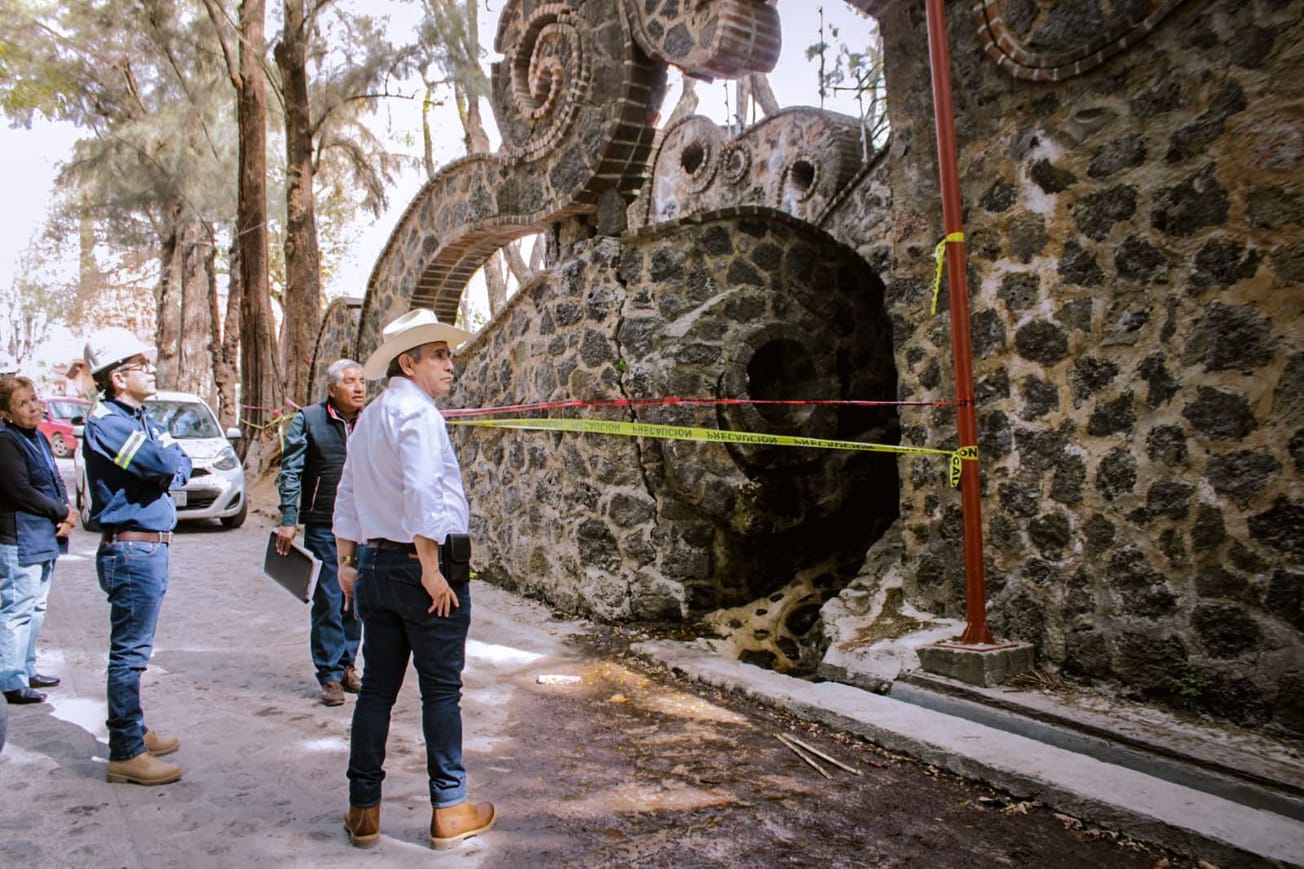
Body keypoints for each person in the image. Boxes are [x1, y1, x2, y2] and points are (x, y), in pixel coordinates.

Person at [333, 309, 494, 850]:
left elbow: (349, 492)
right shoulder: (418, 415)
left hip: (375, 565)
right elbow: (423, 491)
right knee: (441, 692)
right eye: (439, 355)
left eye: (449, 353)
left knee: (376, 690)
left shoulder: (372, 415)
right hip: (420, 568)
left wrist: (346, 562)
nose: (450, 365)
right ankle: (450, 809)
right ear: (409, 362)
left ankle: (363, 811)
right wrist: (429, 569)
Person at [82, 327, 191, 786]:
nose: (151, 370)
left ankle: (133, 729)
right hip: (131, 549)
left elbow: (180, 464)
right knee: (129, 654)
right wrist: (165, 464)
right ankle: (125, 750)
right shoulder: (107, 421)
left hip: (148, 547)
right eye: (141, 365)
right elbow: (163, 465)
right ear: (117, 376)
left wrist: (166, 463)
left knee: (135, 651)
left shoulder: (142, 418)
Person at [276, 358, 366, 706]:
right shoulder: (309, 419)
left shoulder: (370, 421)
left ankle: (348, 664)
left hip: (362, 525)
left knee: (355, 597)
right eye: (350, 381)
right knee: (329, 598)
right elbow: (291, 470)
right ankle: (328, 673)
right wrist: (288, 517)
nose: (359, 387)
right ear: (332, 389)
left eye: (361, 381)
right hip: (324, 523)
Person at [0, 376, 76, 705]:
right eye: (22, 404)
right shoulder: (6, 441)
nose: (32, 408)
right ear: (5, 413)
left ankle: (26, 668)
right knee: (17, 609)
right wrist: (61, 511)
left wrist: (66, 513)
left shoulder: (37, 439)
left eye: (33, 399)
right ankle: (10, 678)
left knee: (37, 607)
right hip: (19, 537)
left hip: (43, 535)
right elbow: (20, 490)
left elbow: (54, 479)